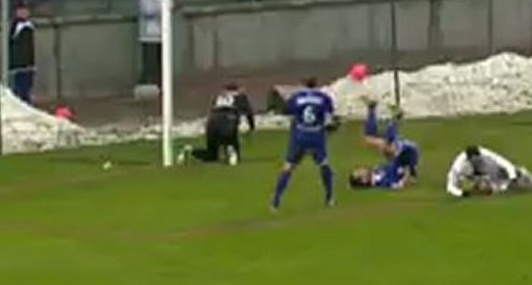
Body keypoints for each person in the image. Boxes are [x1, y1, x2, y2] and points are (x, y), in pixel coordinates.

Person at [270, 77, 337, 211]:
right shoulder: (323, 97)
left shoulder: (297, 97)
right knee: (324, 164)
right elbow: (330, 116)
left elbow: (286, 111)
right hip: (316, 135)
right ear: (316, 85)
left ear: (303, 85)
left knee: (288, 167)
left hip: (300, 134)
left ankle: (276, 201)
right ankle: (329, 197)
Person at [349, 99, 420, 190]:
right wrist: (409, 174)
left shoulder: (375, 172)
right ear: (363, 180)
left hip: (400, 155)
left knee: (369, 139)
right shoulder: (381, 182)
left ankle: (372, 109)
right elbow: (399, 185)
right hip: (407, 156)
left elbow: (390, 165)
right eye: (359, 172)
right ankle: (396, 118)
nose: (361, 169)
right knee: (387, 146)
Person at [180, 83, 256, 166]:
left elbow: (213, 111)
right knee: (232, 141)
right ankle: (231, 151)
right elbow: (249, 113)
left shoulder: (218, 97)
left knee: (212, 154)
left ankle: (190, 151)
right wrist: (252, 127)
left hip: (211, 124)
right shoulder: (241, 97)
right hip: (228, 121)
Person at [445, 145, 532, 198]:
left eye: (478, 157)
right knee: (492, 187)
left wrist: (512, 175)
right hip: (480, 178)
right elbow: (450, 184)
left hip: (494, 171)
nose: (477, 159)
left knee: (520, 174)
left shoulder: (485, 153)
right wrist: (461, 193)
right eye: (474, 159)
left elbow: (502, 161)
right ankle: (497, 187)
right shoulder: (459, 164)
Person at [8, 1, 37, 105]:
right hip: (19, 66)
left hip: (28, 65)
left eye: (26, 10)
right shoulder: (17, 26)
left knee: (26, 90)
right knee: (20, 91)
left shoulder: (28, 26)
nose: (24, 12)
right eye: (21, 10)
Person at [138, 0, 163, 87]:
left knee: (160, 63)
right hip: (148, 35)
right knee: (149, 63)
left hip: (162, 34)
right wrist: (160, 6)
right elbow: (148, 11)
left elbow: (171, 5)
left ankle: (160, 84)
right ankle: (146, 83)